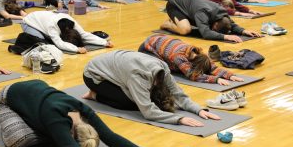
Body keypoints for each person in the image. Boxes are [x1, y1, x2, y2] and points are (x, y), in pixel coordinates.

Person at [0, 80, 167, 147]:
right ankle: (32, 121)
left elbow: (109, 136)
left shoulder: (84, 110)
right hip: (7, 98)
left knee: (54, 136)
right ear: (71, 132)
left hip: (36, 92)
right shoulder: (55, 118)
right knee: (16, 140)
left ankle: (43, 126)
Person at [82, 50, 221, 126]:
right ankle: (94, 94)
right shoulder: (137, 76)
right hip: (94, 75)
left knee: (139, 97)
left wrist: (199, 110)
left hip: (115, 67)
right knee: (130, 103)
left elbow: (179, 95)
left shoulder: (162, 68)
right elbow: (148, 112)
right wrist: (178, 119)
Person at [138, 34, 244, 85]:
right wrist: (217, 79)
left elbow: (213, 67)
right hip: (147, 49)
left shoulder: (198, 53)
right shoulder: (178, 57)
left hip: (161, 41)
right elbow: (193, 75)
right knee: (160, 69)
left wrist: (230, 75)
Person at [160, 0, 262, 43]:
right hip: (175, 5)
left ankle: (178, 22)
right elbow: (206, 33)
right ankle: (168, 24)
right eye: (214, 29)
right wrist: (226, 37)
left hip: (190, 4)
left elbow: (232, 24)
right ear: (215, 23)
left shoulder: (222, 13)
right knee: (185, 30)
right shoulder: (203, 13)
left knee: (193, 24)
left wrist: (244, 31)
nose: (213, 30)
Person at [21, 10, 113, 53]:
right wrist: (76, 49)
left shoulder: (70, 20)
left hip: (40, 18)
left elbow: (84, 34)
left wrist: (104, 43)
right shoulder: (52, 26)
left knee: (49, 38)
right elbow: (59, 44)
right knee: (41, 42)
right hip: (28, 22)